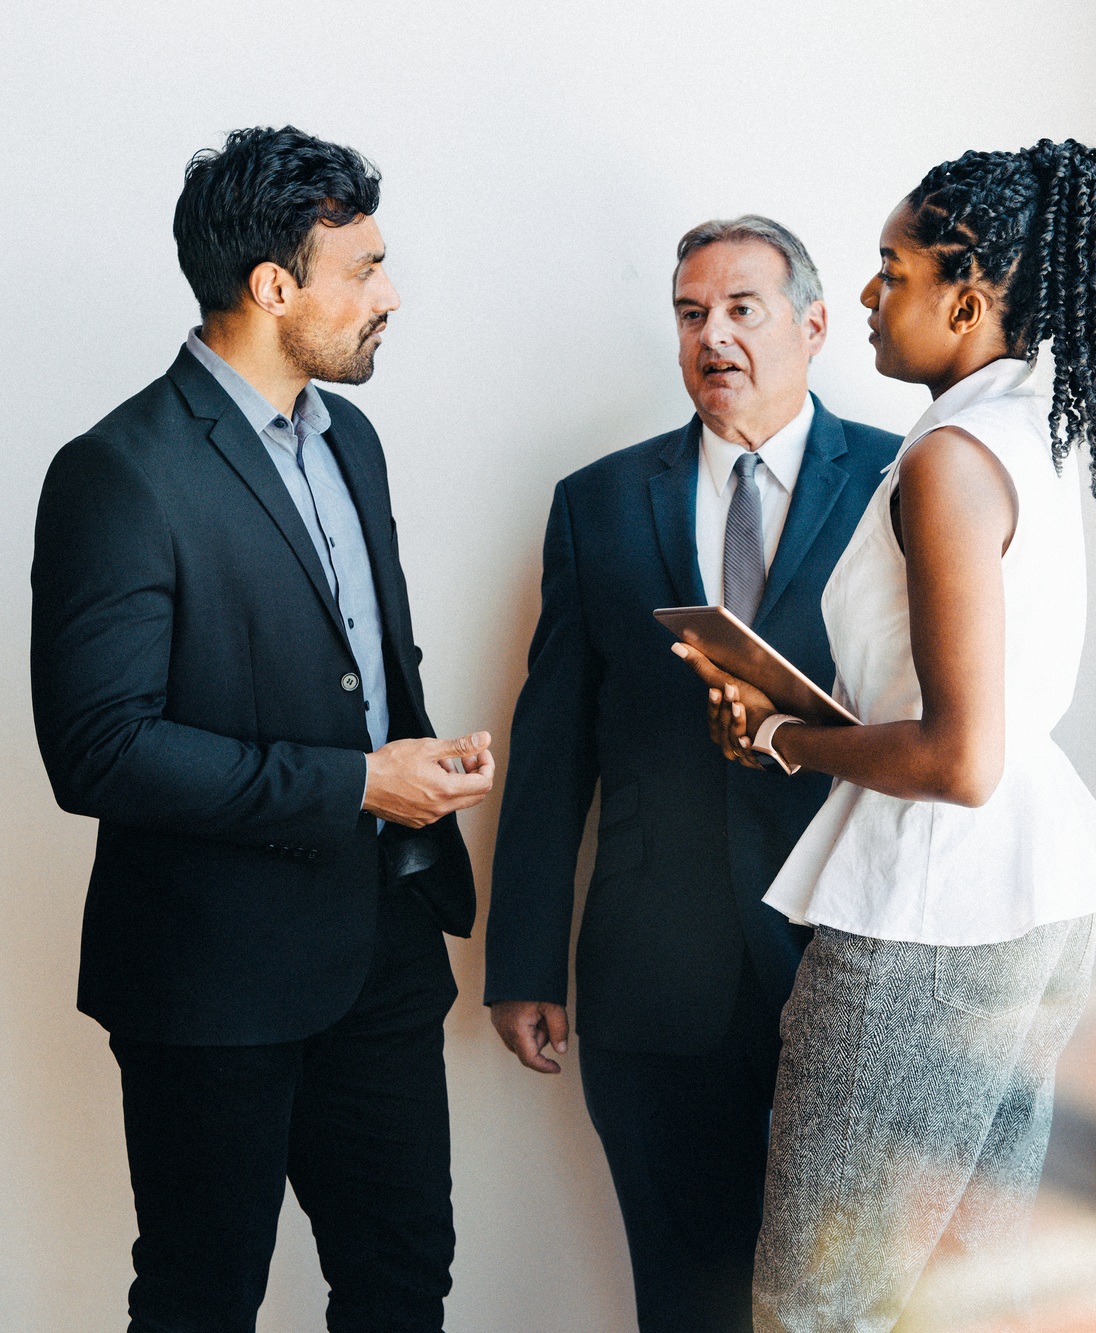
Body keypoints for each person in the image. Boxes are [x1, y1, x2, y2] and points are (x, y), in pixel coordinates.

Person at [676, 138, 1096, 1332]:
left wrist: (786, 735)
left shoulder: (946, 458)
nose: (874, 297)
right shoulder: (1027, 431)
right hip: (1033, 898)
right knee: (954, 1292)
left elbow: (955, 756)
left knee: (813, 1304)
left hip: (930, 912)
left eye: (893, 269)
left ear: (969, 296)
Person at [29, 126, 494, 1333]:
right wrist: (352, 782)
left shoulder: (358, 441)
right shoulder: (117, 473)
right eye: (365, 269)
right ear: (272, 287)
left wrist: (417, 764)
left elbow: (355, 675)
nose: (389, 296)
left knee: (401, 1285)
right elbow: (99, 750)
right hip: (209, 976)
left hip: (385, 949)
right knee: (201, 1300)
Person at [482, 216, 901, 1332]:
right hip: (653, 979)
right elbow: (553, 742)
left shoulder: (905, 479)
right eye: (688, 313)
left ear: (812, 327)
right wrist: (523, 958)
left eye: (741, 309)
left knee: (852, 1300)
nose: (711, 336)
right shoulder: (598, 502)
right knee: (687, 1299)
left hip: (849, 958)